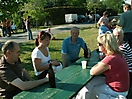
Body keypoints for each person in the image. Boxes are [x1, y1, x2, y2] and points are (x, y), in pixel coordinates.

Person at [75, 33, 129, 99]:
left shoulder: (110, 58)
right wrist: (101, 63)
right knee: (90, 83)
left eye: (100, 44)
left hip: (117, 91)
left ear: (106, 46)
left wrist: (99, 63)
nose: (97, 45)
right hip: (118, 84)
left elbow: (92, 72)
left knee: (92, 89)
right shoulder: (117, 54)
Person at [113, 28, 132, 98]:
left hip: (128, 70)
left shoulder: (123, 47)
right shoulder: (119, 45)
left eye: (119, 36)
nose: (117, 38)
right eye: (115, 36)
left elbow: (115, 59)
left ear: (123, 36)